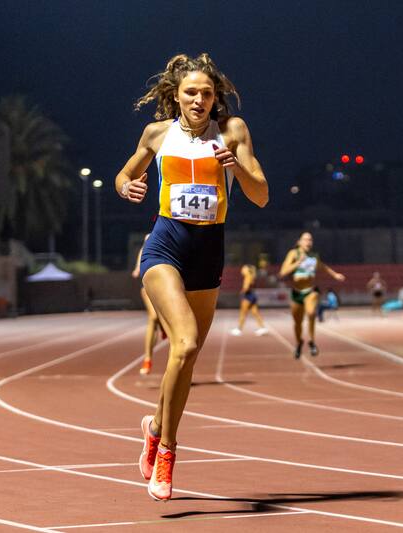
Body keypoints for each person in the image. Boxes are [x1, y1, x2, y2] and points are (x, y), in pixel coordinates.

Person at [115, 53, 268, 501]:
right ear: (176, 96)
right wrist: (126, 186)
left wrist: (235, 166)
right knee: (183, 344)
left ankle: (154, 427)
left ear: (215, 97)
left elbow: (260, 195)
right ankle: (167, 451)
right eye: (191, 93)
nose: (199, 100)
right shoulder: (157, 134)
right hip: (165, 246)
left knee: (187, 358)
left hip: (208, 252)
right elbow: (125, 174)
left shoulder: (232, 131)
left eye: (206, 93)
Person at [279, 232, 345, 359]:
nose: (308, 242)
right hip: (296, 292)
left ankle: (312, 341)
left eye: (310, 240)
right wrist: (297, 263)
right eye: (305, 239)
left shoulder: (314, 256)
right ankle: (299, 342)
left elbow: (323, 266)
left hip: (310, 290)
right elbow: (283, 272)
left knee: (311, 313)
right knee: (297, 323)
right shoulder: (293, 254)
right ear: (299, 242)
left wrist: (335, 274)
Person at [132, 233, 163, 375]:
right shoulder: (150, 236)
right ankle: (148, 359)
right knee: (154, 317)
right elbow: (143, 249)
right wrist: (137, 267)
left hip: (167, 286)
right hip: (148, 284)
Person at [230, 264, 268, 336]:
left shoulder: (247, 276)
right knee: (255, 312)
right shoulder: (252, 276)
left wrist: (242, 292)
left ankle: (238, 329)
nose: (242, 270)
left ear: (247, 270)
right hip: (252, 295)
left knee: (243, 313)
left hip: (248, 296)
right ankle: (263, 328)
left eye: (244, 268)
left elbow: (246, 288)